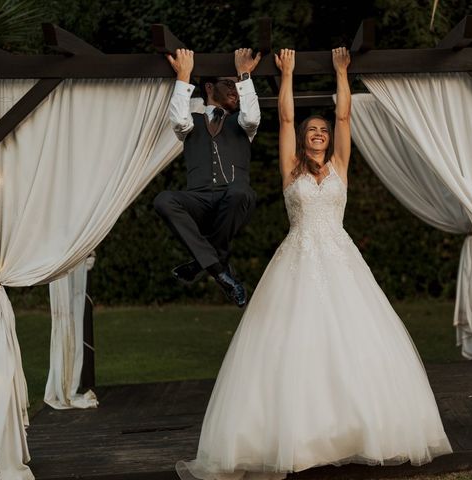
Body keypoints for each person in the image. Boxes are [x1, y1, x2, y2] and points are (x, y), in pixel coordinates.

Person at [176, 47, 452, 480]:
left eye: (323, 129)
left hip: (342, 260)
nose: (320, 132)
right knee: (293, 346)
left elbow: (345, 119)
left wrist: (343, 73)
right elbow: (284, 119)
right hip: (298, 259)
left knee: (356, 341)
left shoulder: (341, 165)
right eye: (314, 130)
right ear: (305, 138)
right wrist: (285, 75)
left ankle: (360, 430)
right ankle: (299, 437)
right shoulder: (290, 169)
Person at [154, 47, 261, 308]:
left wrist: (244, 75)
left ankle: (204, 265)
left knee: (241, 190)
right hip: (199, 200)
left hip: (234, 201)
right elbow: (178, 121)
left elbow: (252, 116)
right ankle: (220, 270)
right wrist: (184, 75)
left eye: (238, 86)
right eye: (230, 85)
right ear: (210, 87)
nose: (235, 91)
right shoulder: (191, 122)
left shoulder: (244, 124)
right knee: (164, 199)